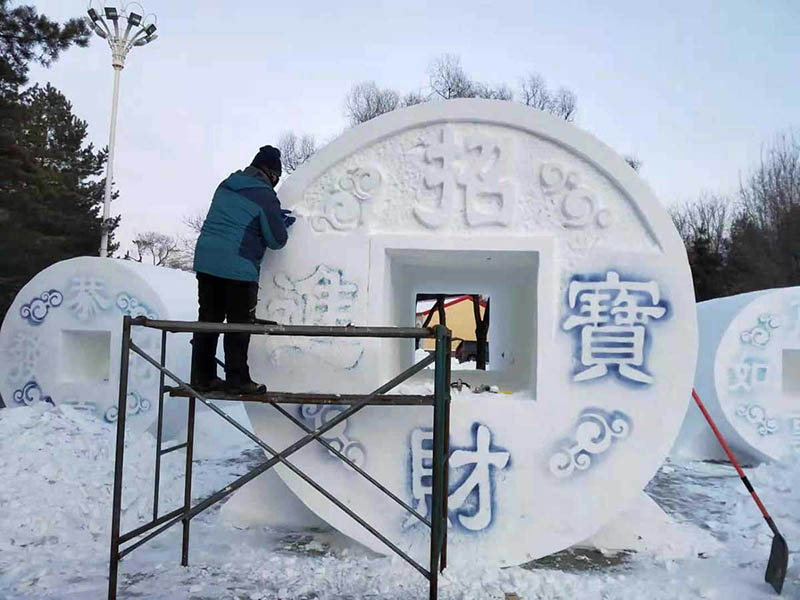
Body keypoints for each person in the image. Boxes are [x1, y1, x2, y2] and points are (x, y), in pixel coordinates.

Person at [191, 145, 296, 395]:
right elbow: (277, 240)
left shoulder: (227, 184)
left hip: (206, 261)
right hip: (238, 267)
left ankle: (202, 377)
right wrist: (279, 222)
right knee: (239, 325)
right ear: (272, 174)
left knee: (209, 321)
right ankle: (237, 379)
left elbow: (238, 219)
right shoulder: (265, 195)